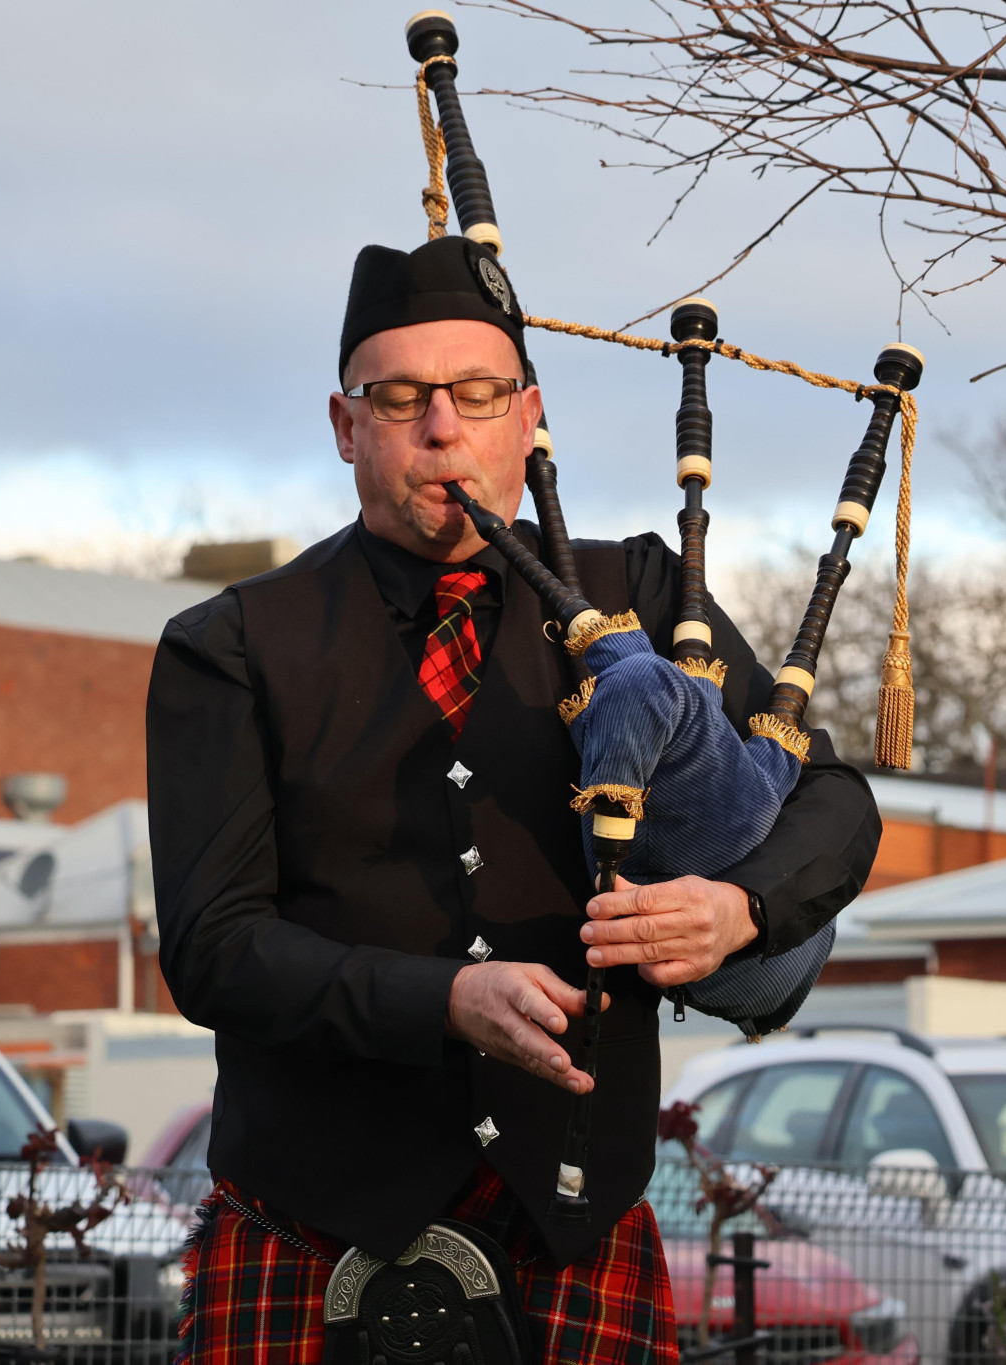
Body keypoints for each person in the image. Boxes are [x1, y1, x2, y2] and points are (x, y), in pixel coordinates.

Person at [147, 234, 881, 1364]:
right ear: (346, 426)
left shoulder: (638, 592)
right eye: (400, 398)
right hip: (310, 1233)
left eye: (477, 393)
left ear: (527, 415)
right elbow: (214, 950)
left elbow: (827, 797)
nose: (443, 428)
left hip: (571, 1230)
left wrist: (739, 912)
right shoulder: (230, 646)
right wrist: (443, 998)